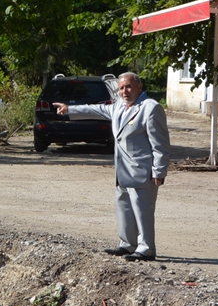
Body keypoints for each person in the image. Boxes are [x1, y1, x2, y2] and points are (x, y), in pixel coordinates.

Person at [54, 72, 170, 261]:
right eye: (121, 88)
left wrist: (159, 170)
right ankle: (127, 244)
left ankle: (146, 248)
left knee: (143, 210)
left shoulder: (151, 108)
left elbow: (161, 144)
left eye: (129, 87)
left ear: (139, 87)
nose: (125, 91)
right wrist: (70, 109)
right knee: (124, 207)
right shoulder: (118, 106)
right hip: (122, 170)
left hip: (143, 171)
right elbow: (95, 109)